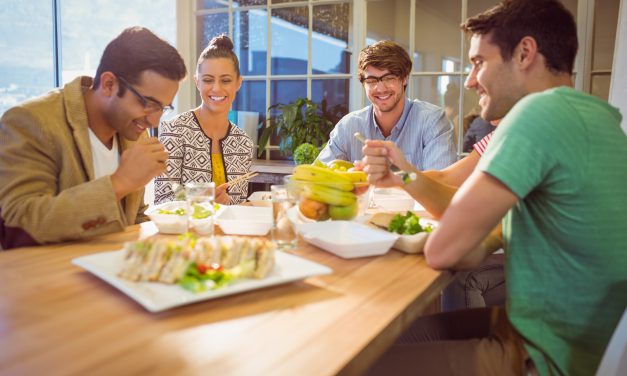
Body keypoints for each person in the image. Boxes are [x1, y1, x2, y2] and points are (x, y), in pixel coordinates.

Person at [366, 1, 627, 375]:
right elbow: (475, 240)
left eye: (478, 62)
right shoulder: (597, 118)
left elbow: (444, 250)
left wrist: (463, 232)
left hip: (541, 356)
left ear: (524, 53)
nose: (470, 80)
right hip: (557, 336)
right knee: (388, 339)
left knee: (350, 364)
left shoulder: (538, 113)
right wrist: (404, 176)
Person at [0, 26, 187, 250]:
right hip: (48, 279)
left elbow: (133, 219)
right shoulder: (32, 121)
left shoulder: (133, 131)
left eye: (163, 108)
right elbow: (17, 225)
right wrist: (119, 182)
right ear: (109, 84)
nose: (155, 121)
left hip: (113, 275)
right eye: (148, 104)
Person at [317, 40, 456, 171]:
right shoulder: (349, 126)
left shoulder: (432, 121)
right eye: (371, 80)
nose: (380, 88)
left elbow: (438, 183)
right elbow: (317, 175)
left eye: (389, 78)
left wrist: (400, 174)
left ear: (404, 78)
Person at [154, 34, 253, 205]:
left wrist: (227, 201)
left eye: (226, 80)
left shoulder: (243, 144)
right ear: (197, 82)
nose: (216, 88)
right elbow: (163, 200)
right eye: (208, 80)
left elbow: (239, 206)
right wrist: (201, 197)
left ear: (238, 83)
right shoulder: (175, 131)